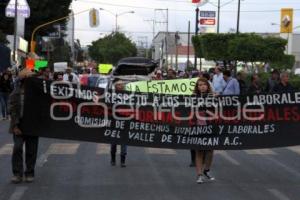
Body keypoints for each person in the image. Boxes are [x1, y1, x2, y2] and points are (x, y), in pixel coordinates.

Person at [8, 68, 39, 184]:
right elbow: (12, 110)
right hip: (19, 125)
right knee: (17, 148)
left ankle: (29, 173)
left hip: (33, 126)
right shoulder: (16, 93)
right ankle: (17, 174)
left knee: (32, 150)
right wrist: (15, 126)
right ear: (24, 80)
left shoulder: (38, 94)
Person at [193, 77, 215, 184]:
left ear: (207, 86)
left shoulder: (213, 97)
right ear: (197, 87)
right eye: (200, 85)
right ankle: (199, 175)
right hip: (197, 127)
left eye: (204, 84)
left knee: (210, 150)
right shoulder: (193, 98)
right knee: (199, 151)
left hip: (210, 126)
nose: (202, 86)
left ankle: (206, 170)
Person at [110, 79, 128, 167]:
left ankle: (122, 161)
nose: (120, 86)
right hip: (114, 121)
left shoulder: (128, 95)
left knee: (124, 142)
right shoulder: (111, 95)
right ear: (115, 86)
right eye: (118, 85)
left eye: (121, 84)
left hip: (125, 121)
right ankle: (113, 159)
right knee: (113, 142)